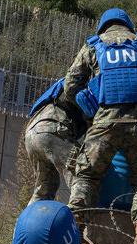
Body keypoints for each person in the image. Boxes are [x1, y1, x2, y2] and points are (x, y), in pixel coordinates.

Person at [65, 8, 137, 244]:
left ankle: (74, 231)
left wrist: (89, 104)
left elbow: (70, 85)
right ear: (127, 24)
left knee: (87, 175)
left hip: (105, 122)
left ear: (104, 26)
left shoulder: (94, 45)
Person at [22, 77, 90, 205]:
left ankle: (29, 217)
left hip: (31, 133)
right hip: (52, 129)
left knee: (44, 188)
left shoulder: (71, 79)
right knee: (82, 177)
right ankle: (80, 216)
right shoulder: (93, 84)